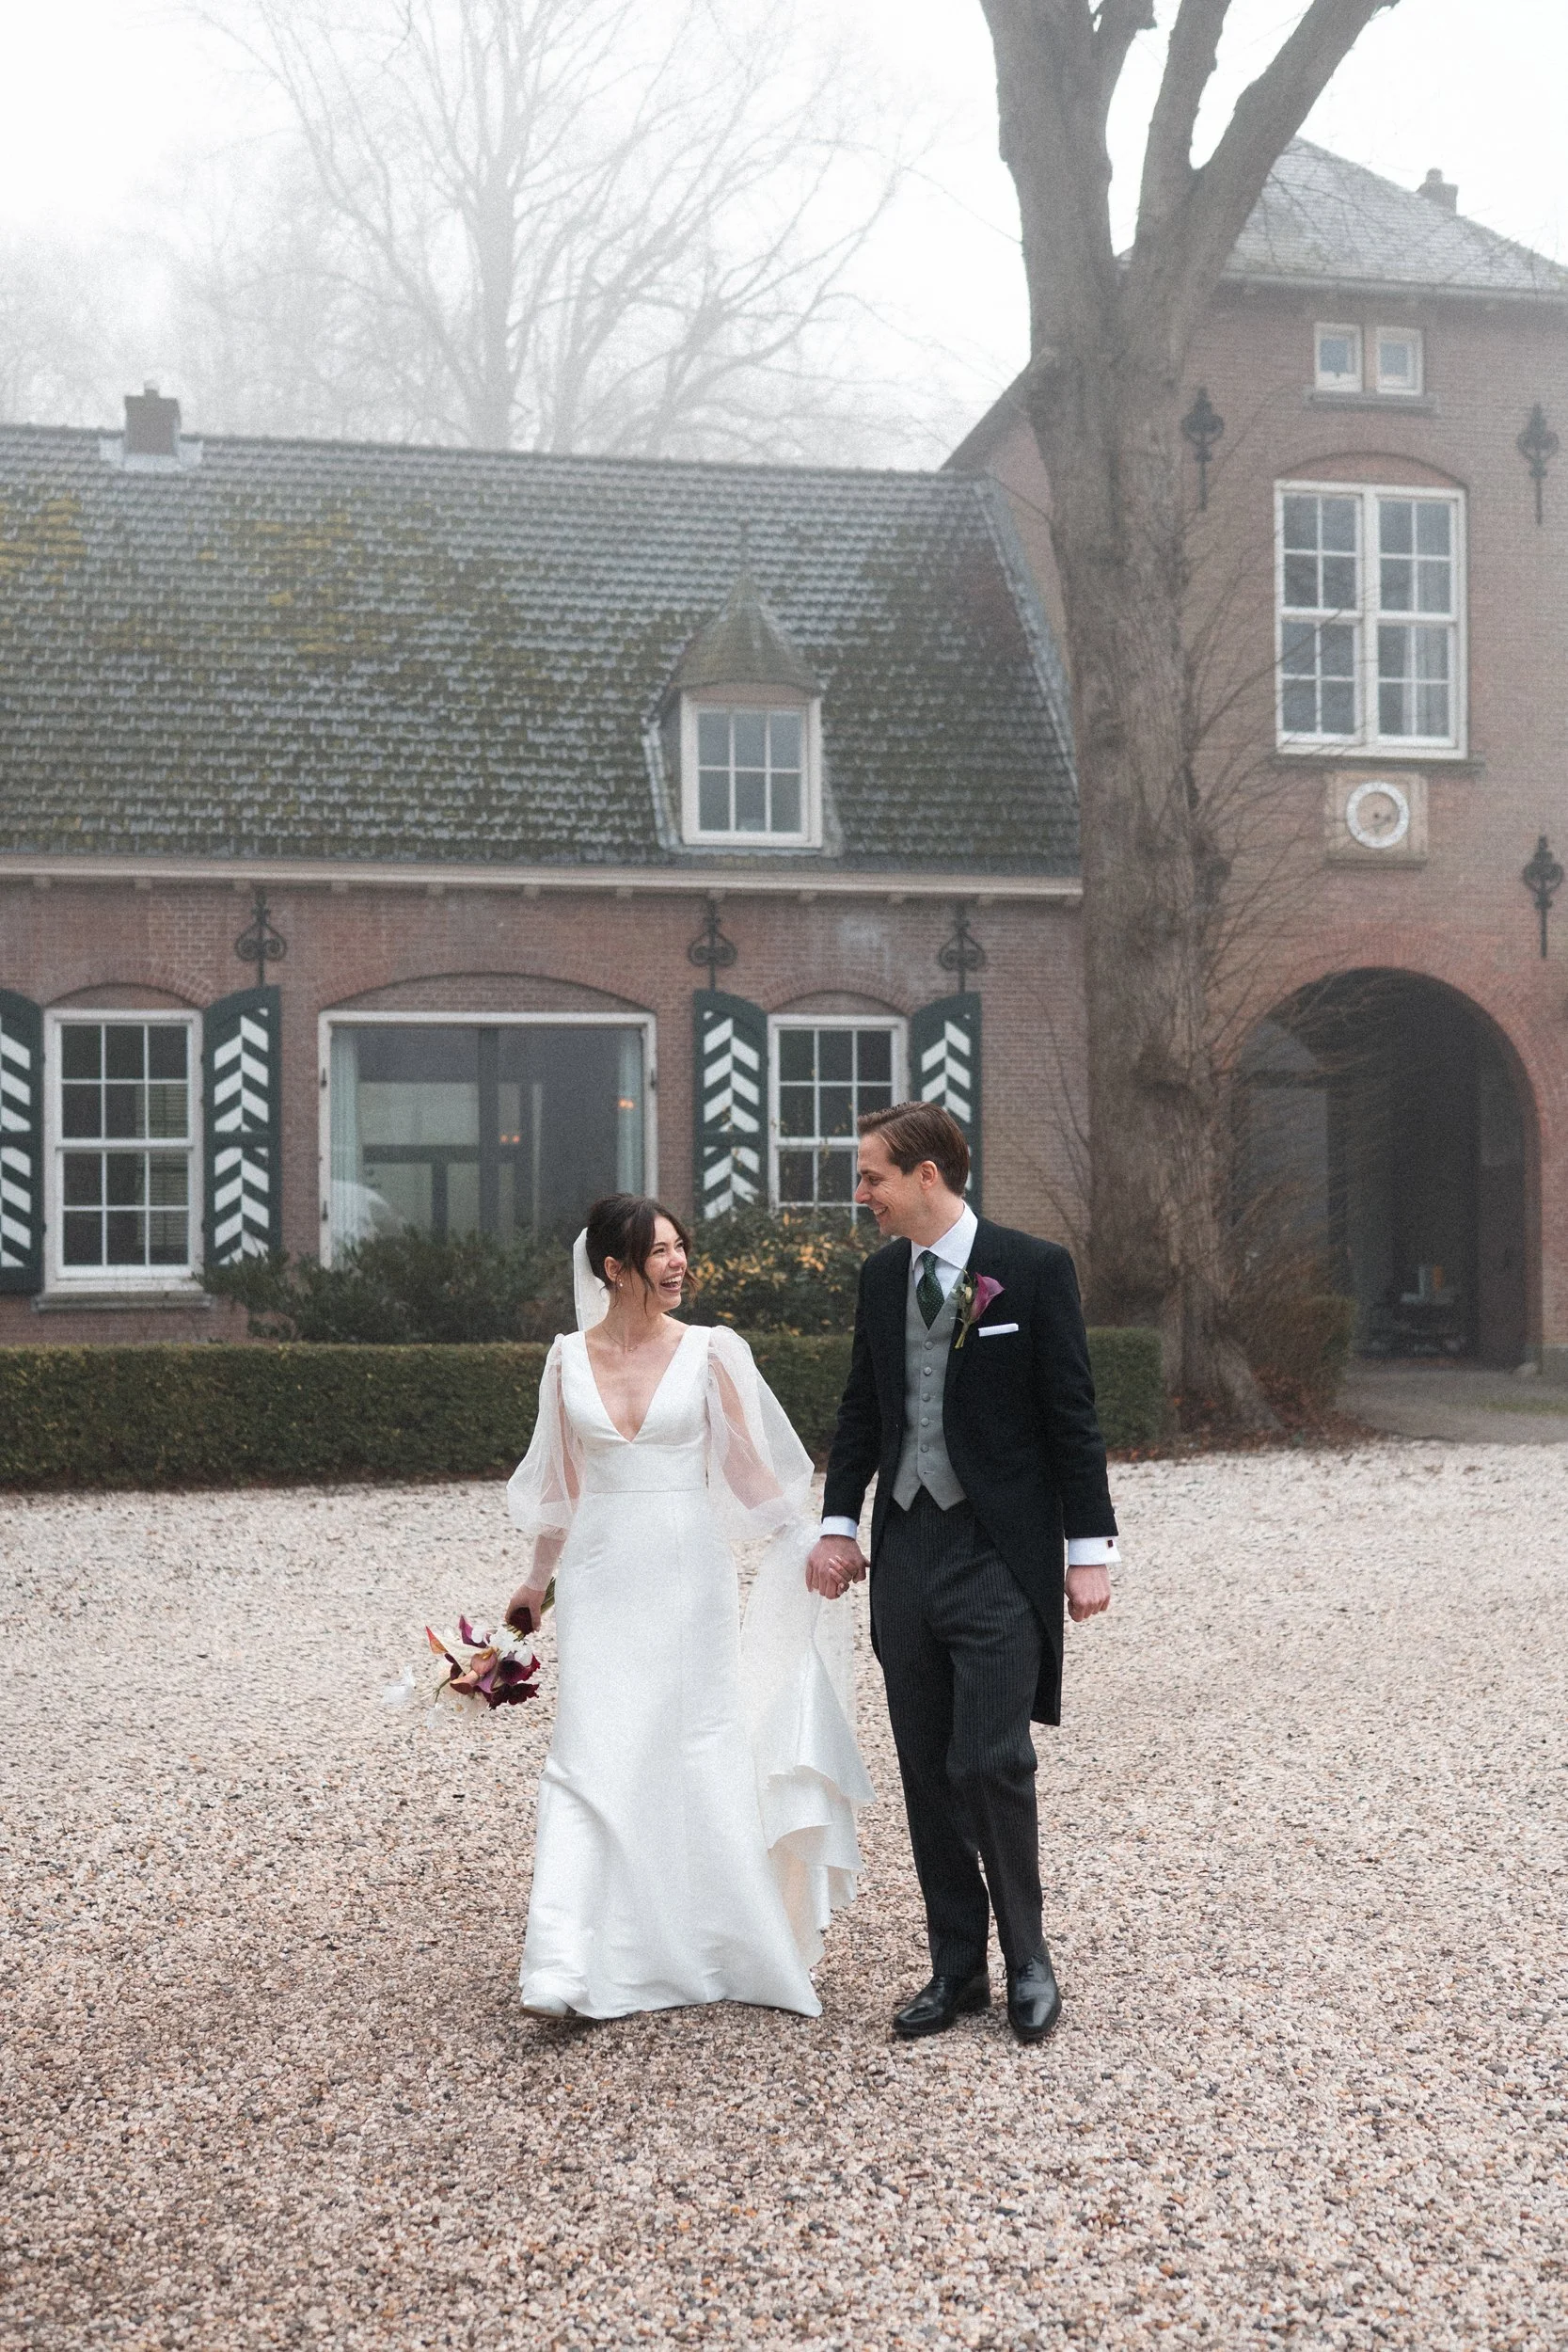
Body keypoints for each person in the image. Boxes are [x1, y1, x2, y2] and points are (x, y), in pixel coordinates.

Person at [503, 1193, 870, 2022]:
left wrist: (818, 1541)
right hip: (599, 1576)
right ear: (614, 1268)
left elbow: (752, 1479)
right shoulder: (565, 1358)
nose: (679, 1264)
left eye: (681, 1248)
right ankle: (563, 1963)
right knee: (590, 1749)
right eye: (660, 1252)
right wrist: (534, 1584)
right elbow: (560, 1487)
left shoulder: (710, 1352)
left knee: (696, 1745)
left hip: (685, 1573)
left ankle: (723, 1945)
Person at [806, 1104, 1117, 2046]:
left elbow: (1072, 1412)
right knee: (924, 1767)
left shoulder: (1032, 1268)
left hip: (996, 1551)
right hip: (906, 1550)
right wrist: (836, 1521)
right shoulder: (875, 1279)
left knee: (990, 1759)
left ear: (928, 1175)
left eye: (871, 1177)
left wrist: (1088, 1550)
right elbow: (863, 1406)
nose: (859, 1194)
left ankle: (1028, 1957)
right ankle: (956, 1967)